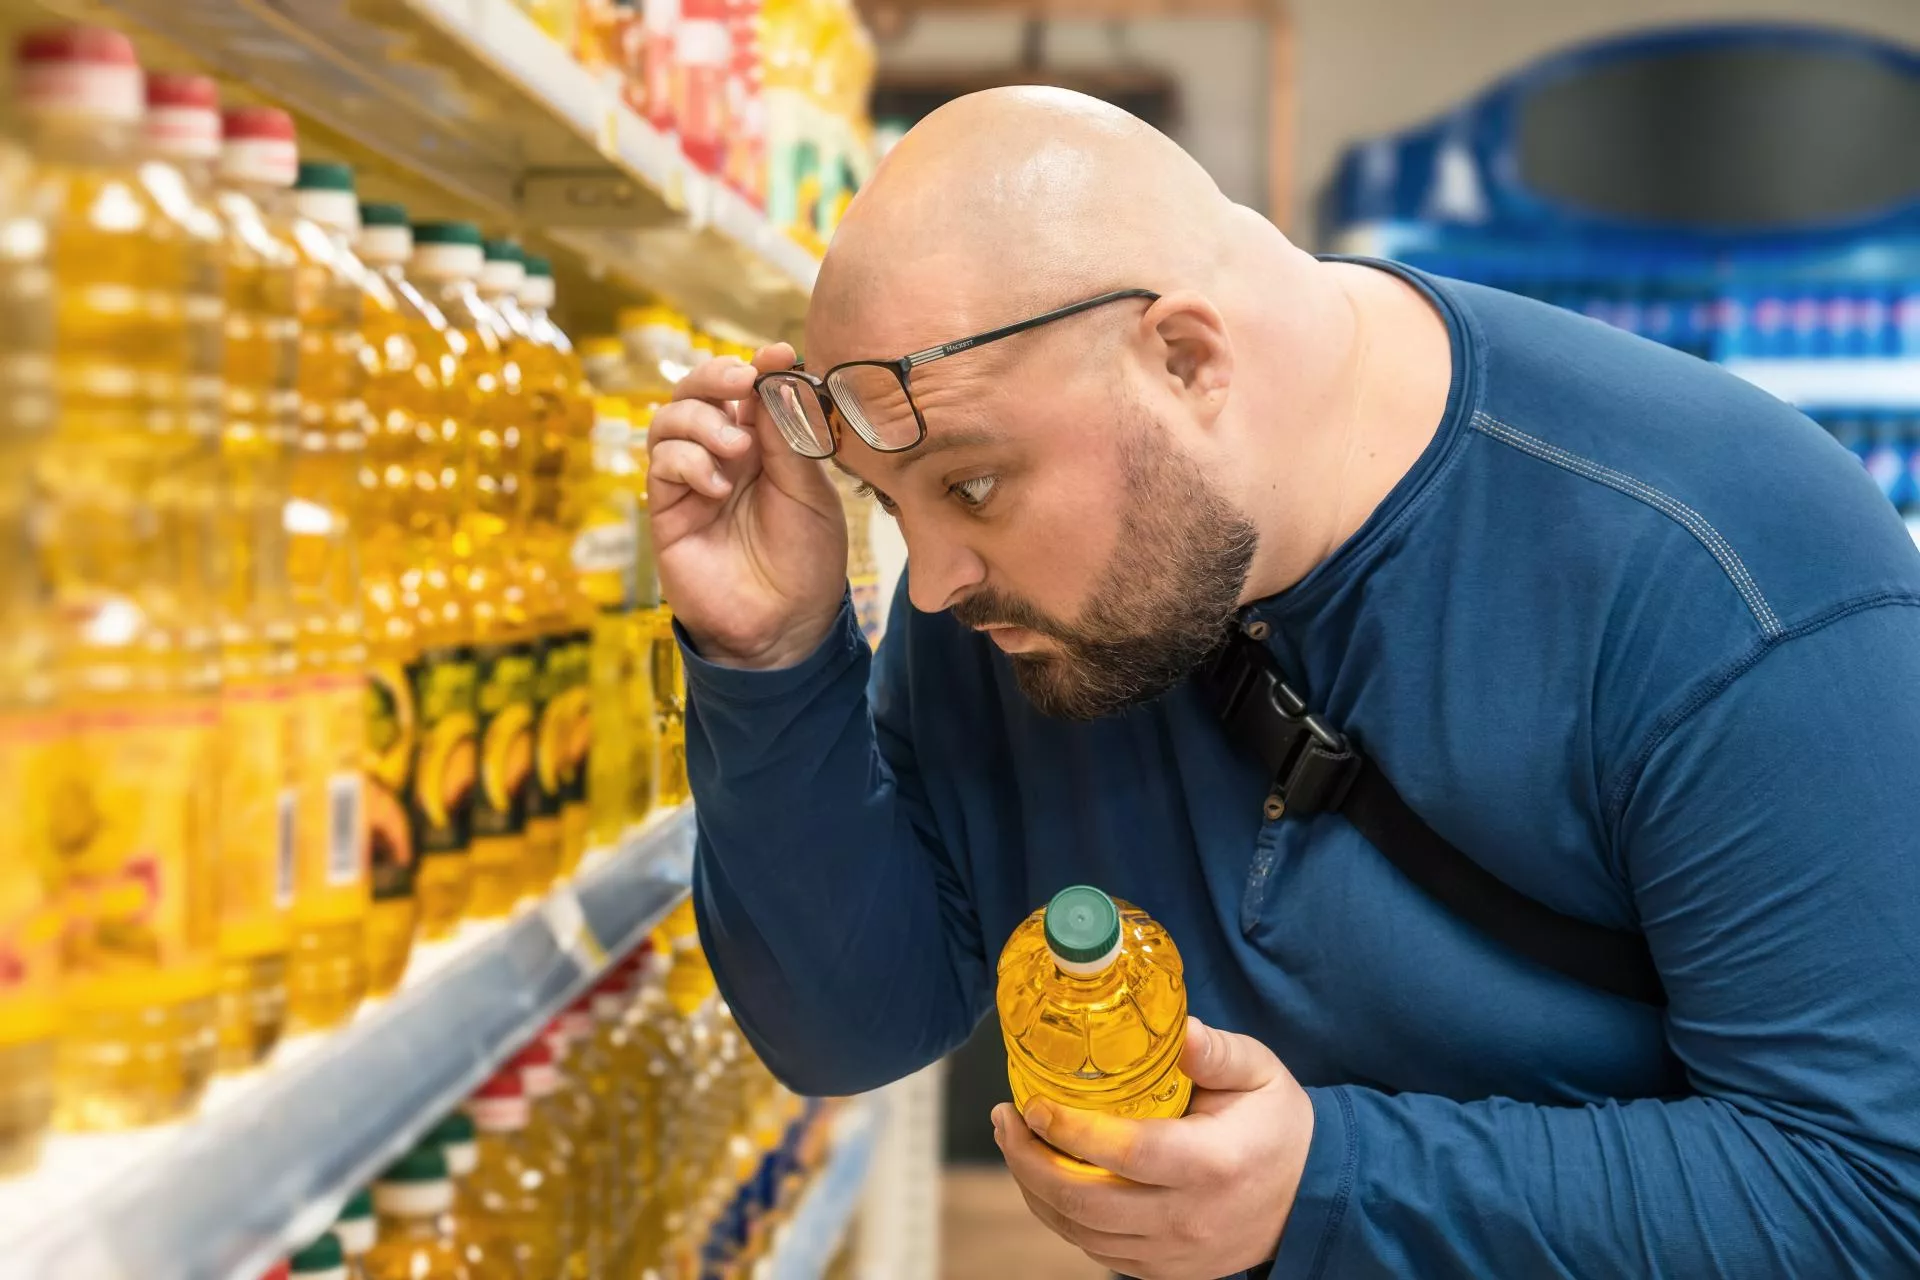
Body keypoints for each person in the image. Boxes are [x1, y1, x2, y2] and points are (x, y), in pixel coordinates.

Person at [644, 86, 1920, 1279]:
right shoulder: (1009, 588)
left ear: (1187, 359)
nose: (930, 580)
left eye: (972, 484)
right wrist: (769, 662)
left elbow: (1871, 1191)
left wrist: (1331, 1186)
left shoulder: (1727, 566)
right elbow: (852, 1023)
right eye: (890, 501)